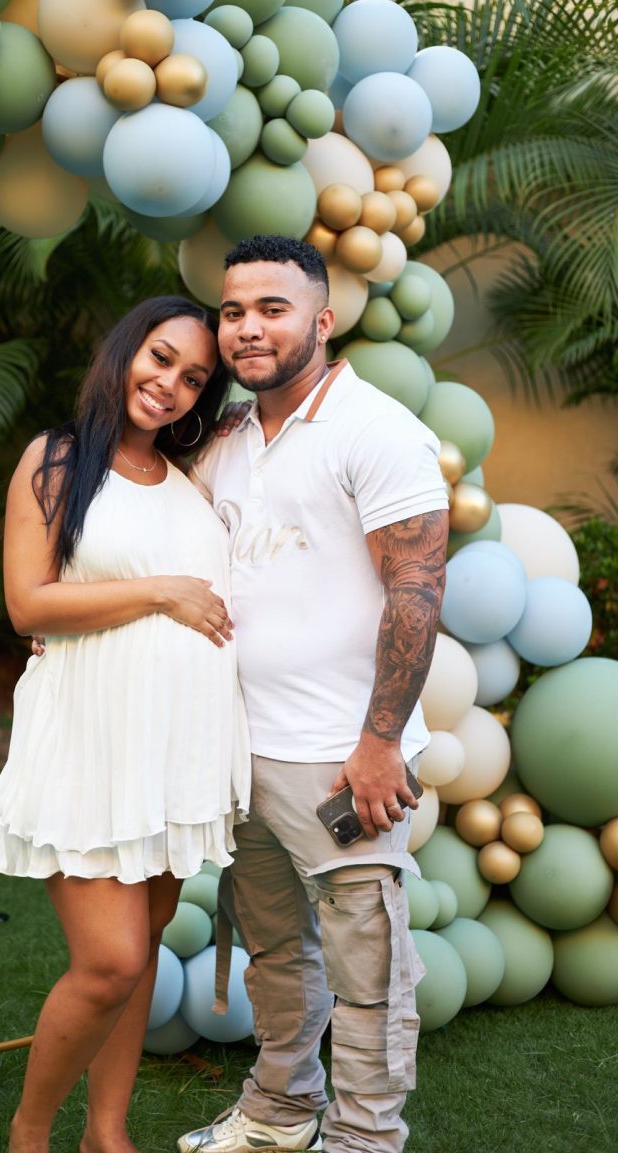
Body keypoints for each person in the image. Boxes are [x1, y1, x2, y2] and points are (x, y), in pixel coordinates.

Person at [177, 235, 449, 1153]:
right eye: (233, 311)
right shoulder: (228, 437)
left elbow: (417, 589)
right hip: (240, 747)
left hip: (341, 756)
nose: (248, 328)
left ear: (322, 320)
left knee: (367, 965)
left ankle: (366, 1139)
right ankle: (280, 1110)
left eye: (272, 309)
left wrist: (380, 743)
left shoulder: (376, 429)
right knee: (275, 949)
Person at [0, 296, 251, 1153]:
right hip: (90, 742)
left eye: (194, 378)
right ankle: (29, 1135)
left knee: (143, 948)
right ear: (125, 348)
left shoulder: (190, 475)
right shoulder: (56, 459)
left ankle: (107, 1131)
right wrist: (162, 591)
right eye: (160, 357)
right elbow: (29, 602)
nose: (170, 384)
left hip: (173, 757)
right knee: (110, 961)